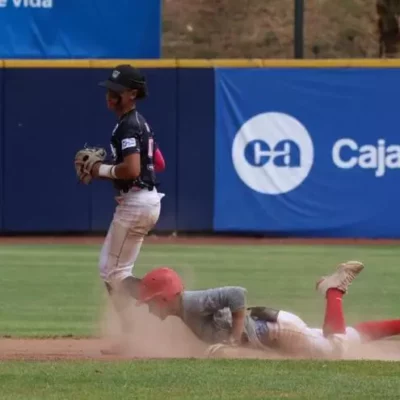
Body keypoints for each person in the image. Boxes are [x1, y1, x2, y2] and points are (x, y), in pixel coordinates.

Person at [136, 262, 400, 359]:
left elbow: (236, 294)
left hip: (274, 331)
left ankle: (334, 291)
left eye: (149, 303)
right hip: (269, 326)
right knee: (348, 337)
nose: (148, 309)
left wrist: (232, 338)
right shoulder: (184, 310)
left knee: (336, 349)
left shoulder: (189, 303)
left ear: (163, 299)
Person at [77, 64, 166, 346]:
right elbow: (158, 163)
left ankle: (167, 301)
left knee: (112, 272)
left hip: (138, 203)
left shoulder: (129, 125)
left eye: (117, 91)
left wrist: (100, 170)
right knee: (113, 271)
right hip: (143, 200)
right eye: (110, 90)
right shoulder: (140, 123)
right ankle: (144, 319)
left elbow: (132, 169)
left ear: (132, 93)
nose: (110, 95)